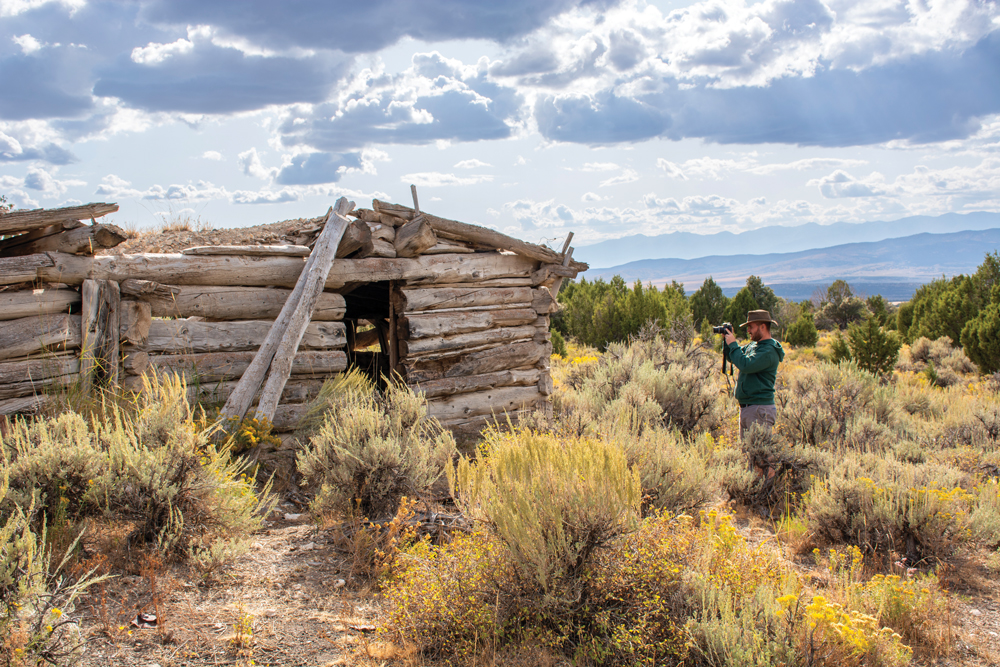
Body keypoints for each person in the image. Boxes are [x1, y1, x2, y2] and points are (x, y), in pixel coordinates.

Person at [723, 310, 785, 440]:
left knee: (759, 456)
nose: (748, 331)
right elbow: (735, 358)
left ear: (763, 326)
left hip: (759, 409)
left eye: (751, 327)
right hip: (749, 408)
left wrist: (733, 344)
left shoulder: (768, 351)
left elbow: (746, 364)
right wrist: (728, 343)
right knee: (748, 456)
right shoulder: (754, 346)